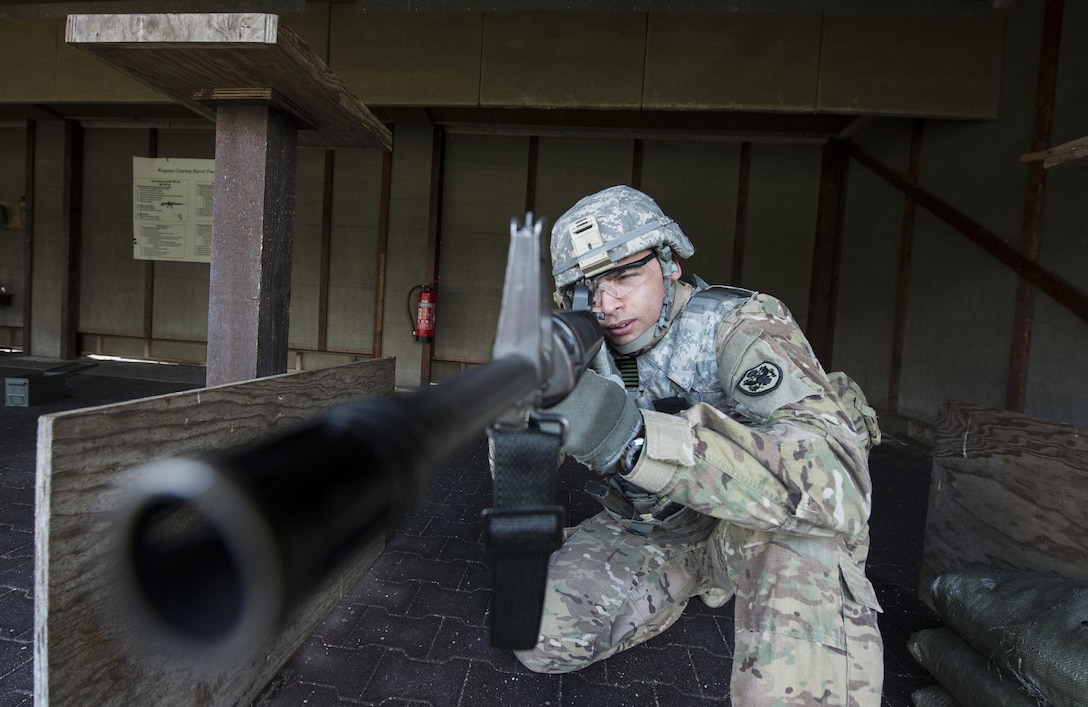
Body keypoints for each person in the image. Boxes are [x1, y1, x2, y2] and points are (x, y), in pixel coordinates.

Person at [518, 185, 884, 706]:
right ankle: (691, 575)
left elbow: (841, 483)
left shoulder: (739, 325)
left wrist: (633, 438)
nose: (608, 303)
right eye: (586, 289)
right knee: (539, 641)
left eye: (625, 274)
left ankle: (731, 574)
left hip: (758, 527)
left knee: (806, 545)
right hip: (660, 528)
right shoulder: (582, 343)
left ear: (669, 263)